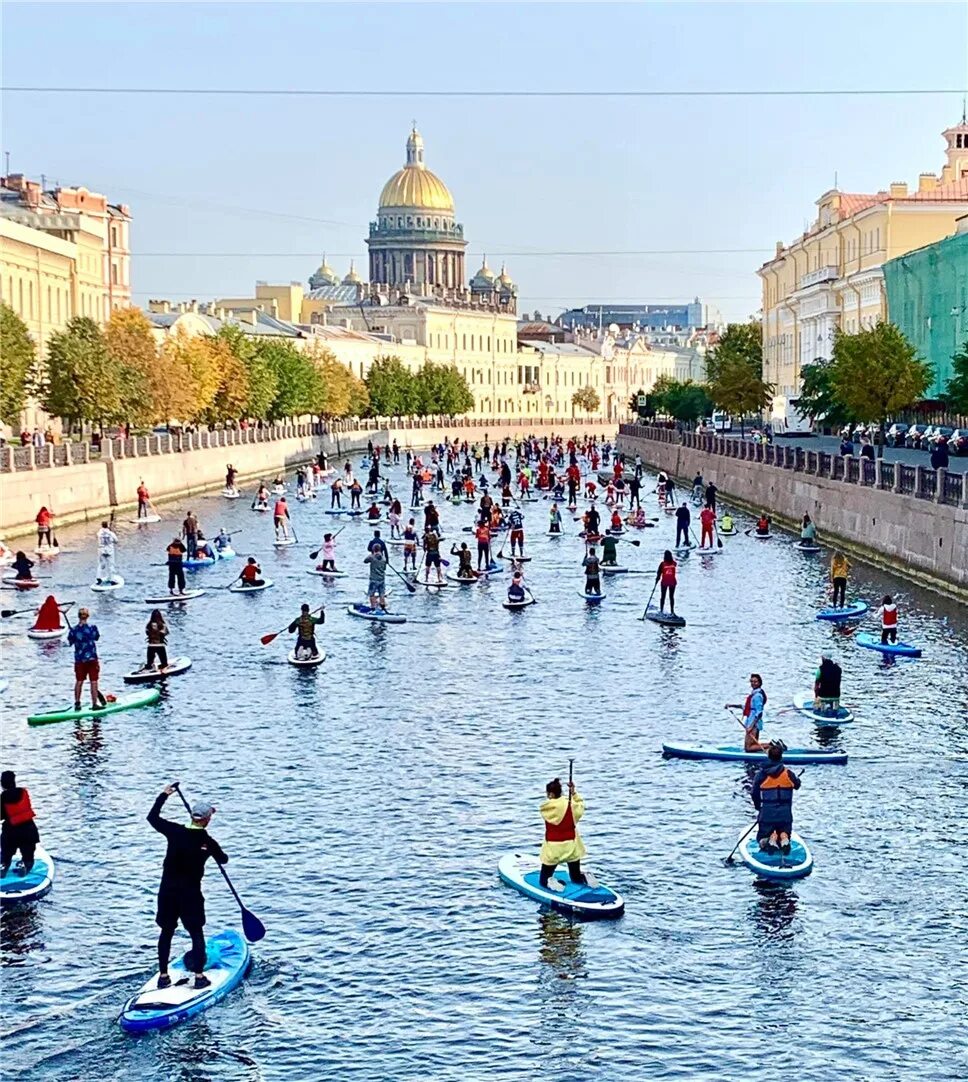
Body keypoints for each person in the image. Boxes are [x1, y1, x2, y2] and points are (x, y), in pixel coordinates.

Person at [148, 783, 228, 991]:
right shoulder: (208, 841)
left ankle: (163, 976)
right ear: (208, 819)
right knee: (196, 932)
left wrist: (164, 795)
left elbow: (152, 818)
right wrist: (210, 851)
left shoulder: (174, 831)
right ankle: (199, 977)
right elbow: (224, 859)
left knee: (166, 931)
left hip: (167, 893)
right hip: (190, 895)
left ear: (192, 817)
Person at [538, 776, 588, 890]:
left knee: (543, 881)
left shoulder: (546, 808)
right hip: (571, 846)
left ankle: (550, 883)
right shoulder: (571, 804)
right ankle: (583, 878)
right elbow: (581, 806)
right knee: (575, 877)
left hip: (553, 849)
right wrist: (573, 793)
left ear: (550, 794)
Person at [751, 744, 801, 855]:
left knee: (762, 837)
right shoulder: (788, 773)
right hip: (785, 815)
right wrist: (796, 779)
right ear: (781, 757)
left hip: (767, 813)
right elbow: (797, 785)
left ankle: (770, 840)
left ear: (768, 756)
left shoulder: (761, 775)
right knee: (784, 832)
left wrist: (759, 807)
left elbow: (754, 793)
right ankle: (784, 839)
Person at [1, 770, 41, 878]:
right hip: (28, 829)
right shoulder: (24, 792)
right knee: (28, 855)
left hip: (10, 831)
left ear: (2, 784)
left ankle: (3, 866)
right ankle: (25, 864)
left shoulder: (2, 797)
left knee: (6, 853)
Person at [68, 607, 102, 711]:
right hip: (92, 658)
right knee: (94, 681)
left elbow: (70, 641)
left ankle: (77, 703)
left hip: (79, 659)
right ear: (87, 616)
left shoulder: (73, 630)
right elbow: (96, 637)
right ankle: (94, 704)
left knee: (79, 681)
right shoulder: (93, 628)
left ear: (78, 616)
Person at [727, 673, 767, 753]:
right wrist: (732, 705)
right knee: (752, 746)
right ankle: (770, 748)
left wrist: (751, 727)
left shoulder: (758, 695)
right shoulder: (753, 694)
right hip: (750, 721)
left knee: (748, 748)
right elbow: (747, 707)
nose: (753, 683)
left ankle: (772, 746)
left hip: (753, 723)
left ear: (759, 683)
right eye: (752, 681)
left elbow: (759, 713)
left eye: (755, 682)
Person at [95, 520, 119, 585]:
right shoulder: (111, 533)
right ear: (107, 526)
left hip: (101, 550)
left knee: (101, 564)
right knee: (111, 565)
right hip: (109, 551)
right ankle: (112, 580)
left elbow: (97, 537)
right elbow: (116, 541)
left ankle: (98, 578)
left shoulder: (99, 533)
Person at [655, 550, 678, 614]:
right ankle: (672, 611)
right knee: (671, 597)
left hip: (664, 582)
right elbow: (675, 564)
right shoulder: (674, 563)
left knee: (663, 597)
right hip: (672, 582)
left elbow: (658, 573)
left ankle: (661, 610)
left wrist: (657, 580)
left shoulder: (662, 564)